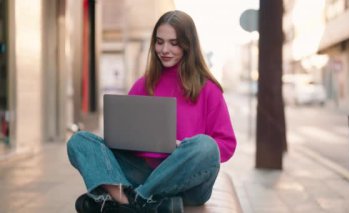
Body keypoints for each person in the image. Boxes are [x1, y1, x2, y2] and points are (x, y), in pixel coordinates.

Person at [67, 10, 236, 213]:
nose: (164, 49)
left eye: (174, 43)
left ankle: (129, 201)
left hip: (189, 181)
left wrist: (184, 147)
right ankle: (133, 203)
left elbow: (226, 145)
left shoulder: (208, 89)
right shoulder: (142, 85)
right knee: (80, 141)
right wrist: (120, 141)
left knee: (206, 146)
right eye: (159, 41)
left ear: (188, 45)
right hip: (143, 172)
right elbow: (124, 137)